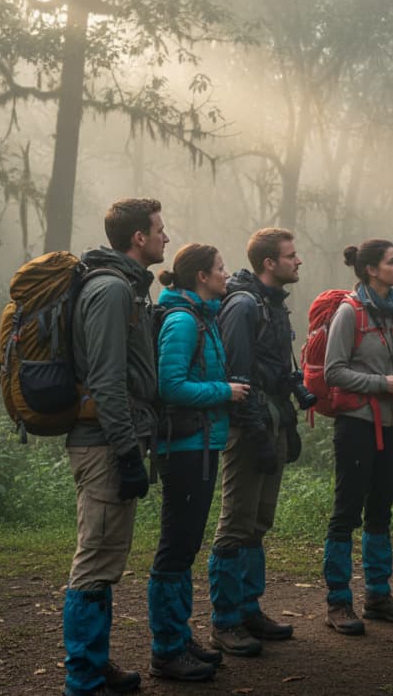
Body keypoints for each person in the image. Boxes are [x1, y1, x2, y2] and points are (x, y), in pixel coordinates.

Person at [63, 199, 168, 696]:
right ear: (138, 239)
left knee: (106, 558)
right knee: (95, 558)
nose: (166, 238)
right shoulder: (109, 291)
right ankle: (82, 678)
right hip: (104, 444)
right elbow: (106, 380)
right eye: (159, 231)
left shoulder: (128, 289)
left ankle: (95, 664)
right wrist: (127, 452)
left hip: (115, 440)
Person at [147, 244, 250, 681]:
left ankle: (179, 635)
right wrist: (225, 392)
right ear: (201, 277)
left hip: (201, 445)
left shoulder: (202, 318)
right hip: (184, 447)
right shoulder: (184, 321)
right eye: (221, 269)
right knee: (175, 547)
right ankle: (166, 650)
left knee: (187, 545)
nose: (227, 275)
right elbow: (170, 385)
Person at [207, 228, 302, 656]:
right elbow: (237, 376)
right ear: (269, 263)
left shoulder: (274, 306)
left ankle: (249, 608)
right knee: (235, 523)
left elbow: (276, 374)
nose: (298, 261)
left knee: (259, 521)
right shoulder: (243, 306)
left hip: (274, 421)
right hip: (249, 429)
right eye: (291, 255)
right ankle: (225, 621)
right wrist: (255, 433)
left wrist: (290, 424)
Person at [322, 239, 393, 636]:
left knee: (381, 510)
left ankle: (378, 595)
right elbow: (333, 371)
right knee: (347, 512)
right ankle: (338, 602)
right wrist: (383, 383)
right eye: (392, 262)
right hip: (357, 425)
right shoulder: (350, 312)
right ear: (371, 270)